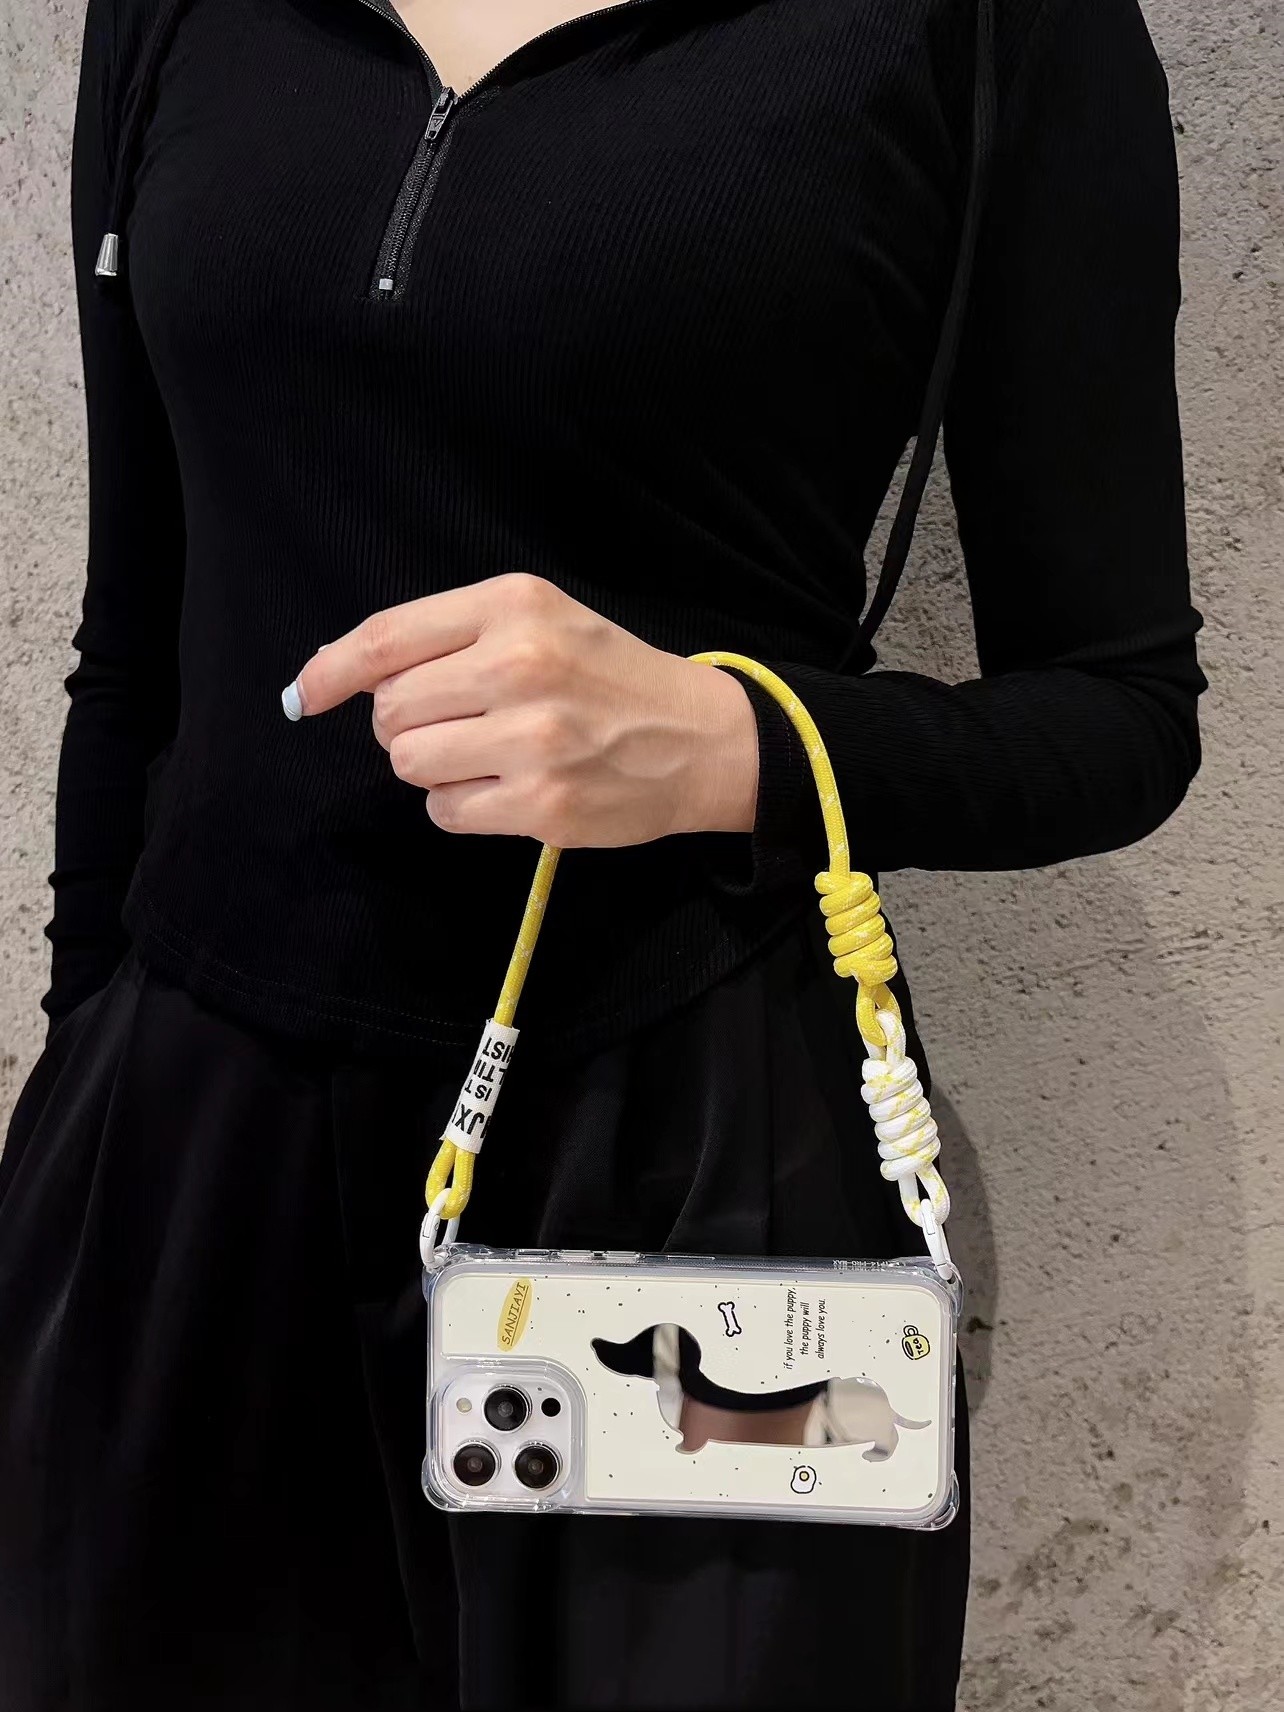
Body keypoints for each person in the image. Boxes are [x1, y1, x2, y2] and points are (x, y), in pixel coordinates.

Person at [0, 0, 1205, 1707]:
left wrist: (731, 739)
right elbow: (135, 651)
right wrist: (73, 1123)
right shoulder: (180, 14)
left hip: (693, 1160)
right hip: (186, 1155)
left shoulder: (997, 30)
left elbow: (1122, 711)